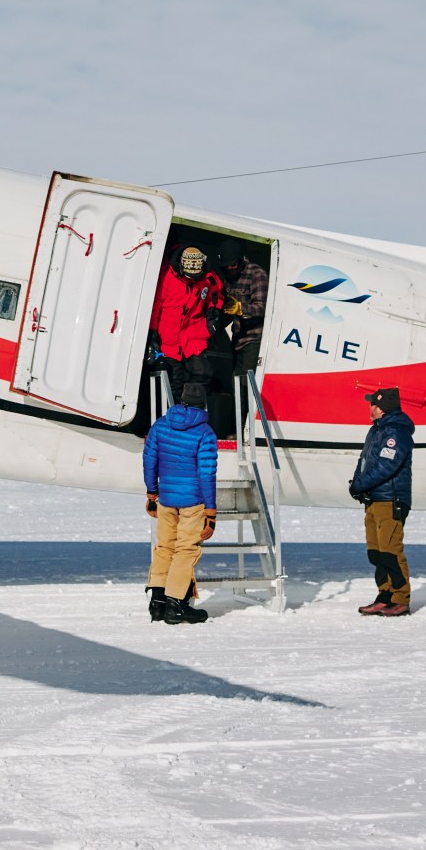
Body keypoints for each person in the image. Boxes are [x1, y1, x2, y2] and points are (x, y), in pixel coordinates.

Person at [141, 381, 219, 625]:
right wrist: (211, 511)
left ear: (180, 400)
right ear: (203, 403)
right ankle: (176, 605)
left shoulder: (160, 426)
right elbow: (207, 474)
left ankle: (157, 603)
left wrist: (152, 493)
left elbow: (149, 461)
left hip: (166, 498)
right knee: (186, 550)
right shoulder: (205, 432)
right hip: (193, 502)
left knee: (164, 547)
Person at [349, 386, 415, 616]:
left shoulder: (396, 432)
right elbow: (364, 460)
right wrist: (357, 482)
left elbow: (388, 465)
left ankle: (400, 598)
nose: (370, 408)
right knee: (376, 552)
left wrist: (361, 484)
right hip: (374, 498)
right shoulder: (376, 430)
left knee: (390, 550)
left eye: (374, 404)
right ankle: (385, 594)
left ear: (383, 408)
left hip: (390, 498)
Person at [153, 246, 227, 400]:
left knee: (203, 374)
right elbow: (155, 306)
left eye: (196, 276)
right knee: (173, 380)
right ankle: (171, 417)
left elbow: (216, 295)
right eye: (188, 276)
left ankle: (193, 411)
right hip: (167, 336)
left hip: (194, 334)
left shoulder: (209, 278)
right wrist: (152, 334)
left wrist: (213, 316)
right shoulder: (166, 275)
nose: (192, 279)